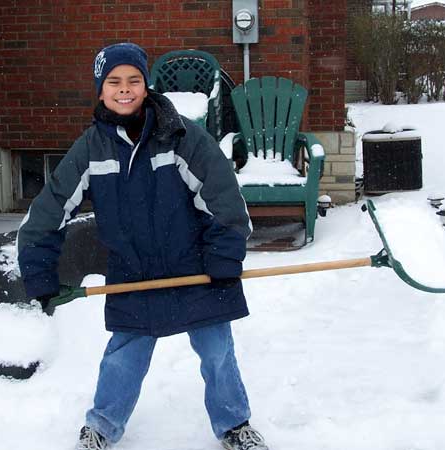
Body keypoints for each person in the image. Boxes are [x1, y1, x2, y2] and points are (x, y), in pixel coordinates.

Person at [17, 42, 268, 450]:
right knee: (123, 357)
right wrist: (39, 270)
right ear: (100, 90)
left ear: (146, 85)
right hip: (132, 273)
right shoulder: (90, 149)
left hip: (197, 267)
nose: (124, 88)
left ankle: (234, 424)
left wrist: (223, 253)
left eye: (133, 79)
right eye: (113, 81)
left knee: (217, 349)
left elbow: (223, 194)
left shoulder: (180, 135)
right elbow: (49, 210)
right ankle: (101, 426)